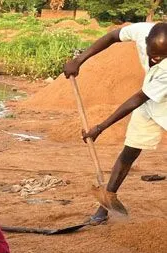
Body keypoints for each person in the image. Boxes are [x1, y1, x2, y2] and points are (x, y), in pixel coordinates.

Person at [64, 22, 167, 224]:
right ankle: (106, 202)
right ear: (145, 40)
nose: (155, 60)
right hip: (149, 100)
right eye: (152, 54)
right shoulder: (142, 31)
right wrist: (79, 60)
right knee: (130, 151)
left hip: (156, 99)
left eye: (162, 57)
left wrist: (101, 127)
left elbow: (137, 99)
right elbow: (112, 37)